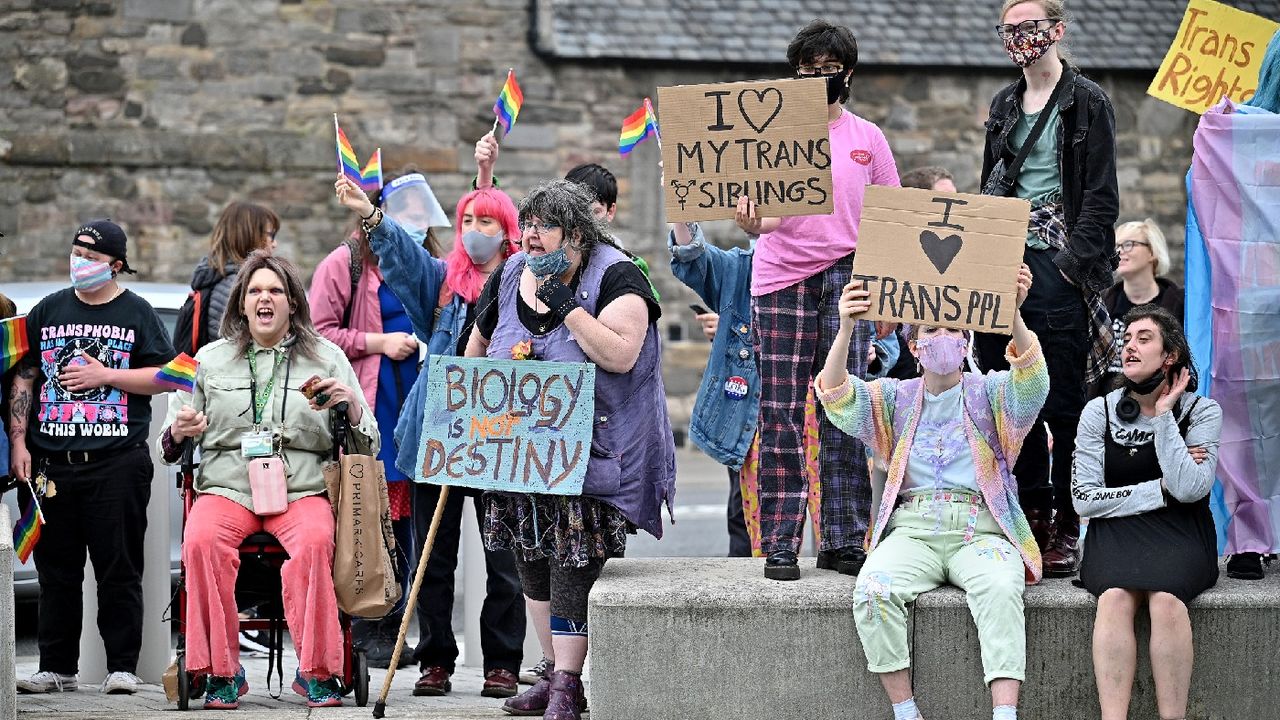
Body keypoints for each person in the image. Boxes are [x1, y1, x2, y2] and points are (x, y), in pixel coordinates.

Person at [464, 179, 675, 720]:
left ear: (576, 234)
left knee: (571, 563)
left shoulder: (618, 274)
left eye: (543, 227)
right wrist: (466, 402)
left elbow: (623, 354)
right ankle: (551, 673)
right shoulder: (512, 271)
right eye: (527, 225)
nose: (530, 237)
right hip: (520, 452)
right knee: (530, 564)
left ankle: (567, 684)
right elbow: (481, 341)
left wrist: (569, 310)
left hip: (592, 451)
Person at [815, 265, 1045, 720]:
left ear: (966, 344)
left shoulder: (992, 393)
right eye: (933, 328)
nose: (945, 336)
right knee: (873, 589)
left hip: (980, 530)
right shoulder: (895, 397)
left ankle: (1005, 714)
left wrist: (1014, 313)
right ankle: (905, 711)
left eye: (954, 329)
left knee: (1002, 587)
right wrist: (845, 328)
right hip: (912, 531)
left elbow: (1033, 382)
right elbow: (838, 396)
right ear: (915, 347)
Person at [332, 172, 527, 699]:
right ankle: (435, 658)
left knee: (502, 559)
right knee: (432, 559)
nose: (473, 229)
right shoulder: (442, 283)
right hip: (437, 435)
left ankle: (504, 661)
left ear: (506, 229)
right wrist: (372, 217)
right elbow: (400, 255)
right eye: (466, 219)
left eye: (486, 220)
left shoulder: (523, 285)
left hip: (498, 439)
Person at [158, 251, 376, 709]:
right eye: (255, 290)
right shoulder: (209, 360)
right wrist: (179, 431)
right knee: (200, 541)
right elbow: (170, 438)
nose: (264, 299)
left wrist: (349, 406)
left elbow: (367, 440)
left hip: (302, 487)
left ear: (293, 302)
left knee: (317, 542)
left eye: (275, 291)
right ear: (241, 303)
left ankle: (318, 670)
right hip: (227, 485)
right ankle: (219, 671)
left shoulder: (327, 356)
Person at [736, 19, 900, 579]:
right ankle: (780, 540)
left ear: (847, 74)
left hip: (847, 276)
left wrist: (885, 297)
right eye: (806, 72)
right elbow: (771, 214)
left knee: (844, 410)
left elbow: (889, 214)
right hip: (781, 278)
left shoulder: (868, 138)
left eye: (827, 70)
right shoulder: (775, 135)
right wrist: (755, 223)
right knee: (779, 413)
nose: (817, 79)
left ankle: (843, 538)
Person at [973, 0, 1119, 578]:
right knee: (1010, 389)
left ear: (1055, 31)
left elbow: (1101, 201)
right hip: (1002, 256)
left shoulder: (1088, 103)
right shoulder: (1004, 103)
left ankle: (1064, 521)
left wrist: (1063, 267)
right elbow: (992, 182)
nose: (1018, 38)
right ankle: (1029, 509)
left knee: (1060, 398)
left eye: (1028, 28)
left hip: (1056, 263)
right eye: (1008, 30)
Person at [9, 220, 176, 695]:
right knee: (55, 570)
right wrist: (19, 441)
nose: (79, 259)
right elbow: (23, 376)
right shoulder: (48, 310)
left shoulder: (137, 312)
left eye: (91, 254)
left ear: (116, 265)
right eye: (75, 249)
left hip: (117, 461)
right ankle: (55, 666)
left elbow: (170, 376)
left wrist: (108, 375)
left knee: (118, 567)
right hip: (51, 463)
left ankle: (121, 666)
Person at [1072, 305, 1222, 720]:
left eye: (1144, 339)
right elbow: (1084, 498)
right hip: (1115, 532)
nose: (1129, 348)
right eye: (1126, 340)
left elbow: (1191, 490)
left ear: (1169, 355)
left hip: (1181, 532)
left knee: (1166, 601)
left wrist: (1164, 417)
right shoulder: (1097, 412)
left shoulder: (1202, 411)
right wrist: (1159, 489)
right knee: (1115, 598)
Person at [1185, 29, 1280, 582]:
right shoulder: (1241, 131)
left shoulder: (1238, 133)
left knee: (1248, 423)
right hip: (1252, 307)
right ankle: (1251, 538)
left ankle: (1249, 539)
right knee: (1252, 421)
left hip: (1248, 308)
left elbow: (1201, 183)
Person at [669, 223, 825, 559]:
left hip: (822, 406)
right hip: (758, 411)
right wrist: (681, 210)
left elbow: (878, 333)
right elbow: (694, 258)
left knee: (837, 527)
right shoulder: (741, 269)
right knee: (762, 537)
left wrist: (873, 349)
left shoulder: (830, 262)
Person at [176, 201, 279, 356]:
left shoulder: (221, 279)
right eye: (271, 235)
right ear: (250, 236)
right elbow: (242, 352)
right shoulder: (236, 286)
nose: (274, 244)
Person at [1095, 219, 1183, 396]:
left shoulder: (1180, 304)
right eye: (1116, 246)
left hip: (1162, 401)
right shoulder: (1100, 303)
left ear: (1152, 252)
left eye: (1129, 244)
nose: (1119, 252)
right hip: (1106, 407)